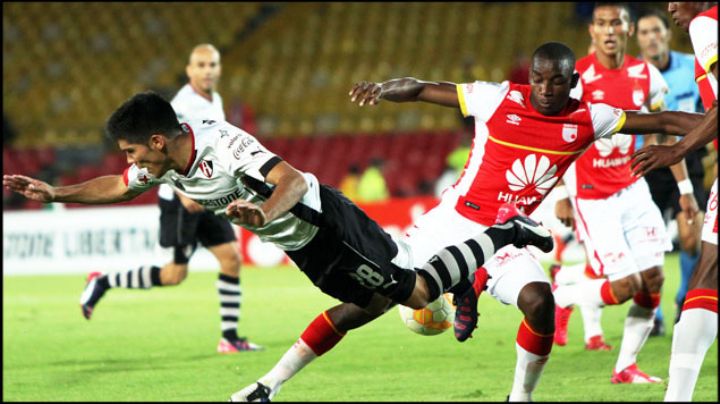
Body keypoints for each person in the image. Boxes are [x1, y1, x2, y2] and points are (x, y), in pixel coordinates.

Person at [228, 41, 707, 402]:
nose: (544, 89)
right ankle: (268, 384)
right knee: (365, 305)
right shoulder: (497, 98)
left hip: (509, 237)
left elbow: (663, 120)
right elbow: (420, 87)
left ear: (571, 81)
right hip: (452, 223)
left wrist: (709, 125)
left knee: (539, 302)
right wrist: (381, 89)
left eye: (555, 81)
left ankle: (519, 395)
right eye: (538, 79)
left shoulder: (590, 118)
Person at [2, 91, 556, 401]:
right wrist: (57, 191)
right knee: (361, 309)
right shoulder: (163, 162)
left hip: (325, 225)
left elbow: (289, 178)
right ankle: (267, 388)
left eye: (132, 151)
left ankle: (506, 233)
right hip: (303, 247)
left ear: (155, 140)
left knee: (414, 292)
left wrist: (260, 212)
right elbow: (120, 188)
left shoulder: (220, 142)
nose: (131, 163)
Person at [75, 44, 262, 353]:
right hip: (181, 199)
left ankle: (229, 338)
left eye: (212, 64)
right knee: (175, 275)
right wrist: (184, 191)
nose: (208, 70)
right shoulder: (182, 104)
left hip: (207, 194)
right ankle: (103, 281)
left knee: (231, 259)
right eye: (200, 65)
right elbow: (167, 151)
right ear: (189, 71)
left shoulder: (214, 99)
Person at [551, 3, 699, 384]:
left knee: (652, 281)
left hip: (633, 187)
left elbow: (664, 132)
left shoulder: (645, 74)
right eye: (601, 24)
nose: (609, 30)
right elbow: (560, 139)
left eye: (616, 22)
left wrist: (685, 190)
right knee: (623, 287)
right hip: (591, 195)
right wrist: (562, 194)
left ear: (628, 29)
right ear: (592, 32)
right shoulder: (577, 78)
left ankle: (626, 367)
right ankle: (563, 296)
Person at [632, 2, 717, 401]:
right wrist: (657, 123)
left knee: (707, 278)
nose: (670, 7)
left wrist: (678, 149)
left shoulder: (706, 25)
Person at [636, 9, 708, 337]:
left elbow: (710, 113)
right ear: (637, 39)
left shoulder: (694, 64)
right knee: (648, 244)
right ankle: (653, 314)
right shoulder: (634, 75)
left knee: (692, 236)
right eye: (645, 32)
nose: (651, 37)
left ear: (666, 34)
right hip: (647, 162)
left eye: (656, 31)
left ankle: (682, 301)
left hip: (687, 157)